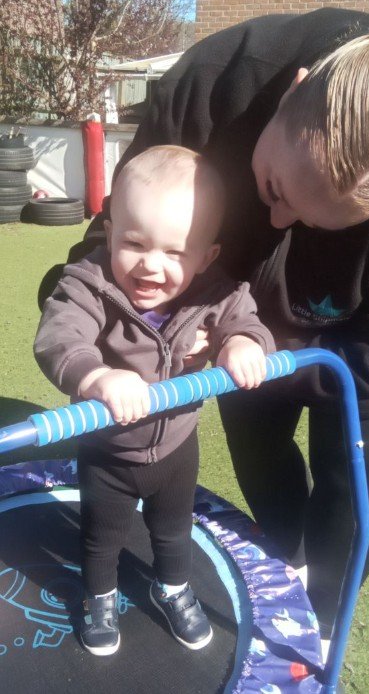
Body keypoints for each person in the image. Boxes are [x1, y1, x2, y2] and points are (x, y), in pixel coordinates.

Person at [42, 0, 369, 653]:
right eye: (272, 191)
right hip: (230, 320)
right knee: (257, 446)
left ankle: (315, 624)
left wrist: (253, 344)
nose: (281, 225)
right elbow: (119, 229)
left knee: (356, 479)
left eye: (323, 221)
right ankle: (284, 560)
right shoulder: (215, 84)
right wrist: (90, 329)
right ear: (292, 92)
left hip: (343, 337)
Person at [34, 146, 275, 657]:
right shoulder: (89, 285)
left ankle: (171, 588)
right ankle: (98, 596)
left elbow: (244, 318)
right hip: (109, 451)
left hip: (176, 449)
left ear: (206, 256)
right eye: (134, 242)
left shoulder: (215, 291)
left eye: (174, 252)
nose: (150, 265)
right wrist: (96, 375)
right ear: (110, 228)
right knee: (102, 537)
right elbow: (60, 336)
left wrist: (242, 342)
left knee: (173, 530)